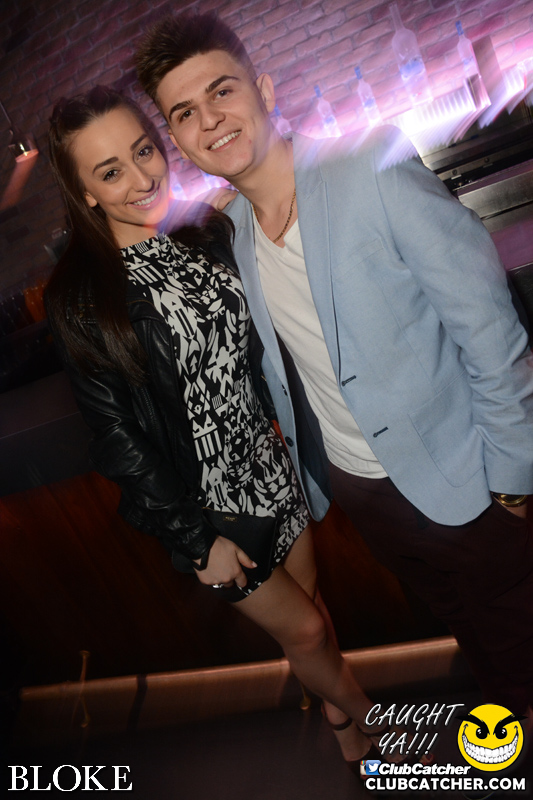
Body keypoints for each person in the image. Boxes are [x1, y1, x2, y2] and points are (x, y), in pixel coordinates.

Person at [135, 13, 533, 719]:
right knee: (471, 635)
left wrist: (512, 470)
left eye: (221, 90)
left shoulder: (366, 163)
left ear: (262, 90)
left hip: (471, 475)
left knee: (520, 643)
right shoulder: (233, 234)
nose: (209, 119)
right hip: (364, 494)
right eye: (184, 113)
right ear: (179, 141)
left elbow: (488, 324)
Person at [44, 85, 411, 768]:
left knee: (312, 613)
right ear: (84, 192)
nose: (142, 178)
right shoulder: (84, 297)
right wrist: (193, 539)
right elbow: (118, 440)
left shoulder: (203, 236)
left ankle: (342, 728)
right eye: (111, 171)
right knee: (306, 631)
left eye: (144, 152)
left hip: (271, 467)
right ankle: (382, 726)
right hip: (209, 508)